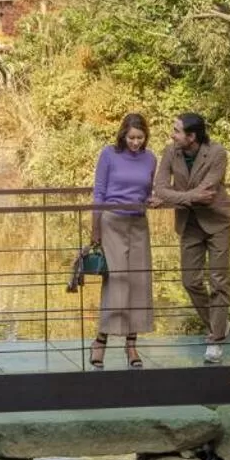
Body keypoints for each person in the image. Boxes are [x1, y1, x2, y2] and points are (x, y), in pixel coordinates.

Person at [151, 112, 230, 363]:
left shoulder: (217, 153)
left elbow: (207, 193)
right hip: (189, 224)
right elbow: (160, 187)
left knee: (219, 280)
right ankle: (220, 324)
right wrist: (186, 197)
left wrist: (173, 197)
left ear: (191, 136)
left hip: (217, 221)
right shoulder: (170, 152)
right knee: (190, 281)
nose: (171, 134)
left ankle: (215, 340)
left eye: (176, 131)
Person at [89, 112, 156, 368]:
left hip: (138, 222)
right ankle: (100, 342)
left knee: (139, 281)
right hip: (112, 220)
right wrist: (95, 228)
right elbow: (99, 191)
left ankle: (132, 346)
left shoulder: (151, 158)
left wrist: (153, 199)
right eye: (131, 137)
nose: (136, 142)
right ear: (123, 135)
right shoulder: (109, 154)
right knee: (116, 281)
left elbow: (148, 191)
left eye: (140, 138)